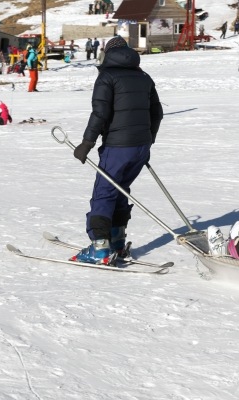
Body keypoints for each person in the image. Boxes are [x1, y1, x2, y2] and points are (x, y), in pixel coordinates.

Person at [71, 36, 163, 265]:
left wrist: (86, 143)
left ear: (107, 54)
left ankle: (100, 248)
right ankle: (117, 241)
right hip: (141, 147)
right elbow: (157, 113)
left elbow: (100, 113)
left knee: (104, 193)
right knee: (120, 190)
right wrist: (148, 139)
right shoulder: (144, 77)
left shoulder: (107, 77)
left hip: (118, 147)